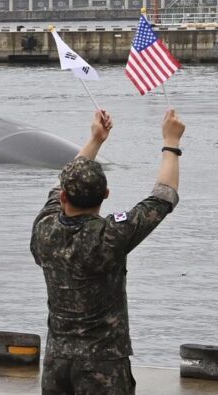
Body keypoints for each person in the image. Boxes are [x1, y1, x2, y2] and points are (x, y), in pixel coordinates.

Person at [31, 108, 184, 395]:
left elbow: (59, 184)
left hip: (57, 361)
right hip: (104, 363)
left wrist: (95, 140)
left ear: (63, 197)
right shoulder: (110, 236)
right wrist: (171, 142)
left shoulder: (44, 229)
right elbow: (163, 197)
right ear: (106, 194)